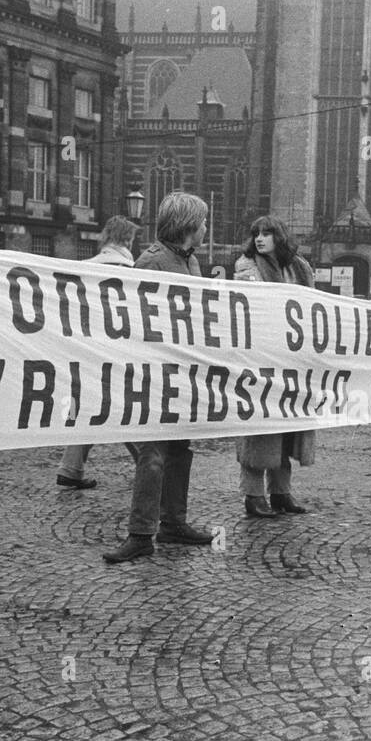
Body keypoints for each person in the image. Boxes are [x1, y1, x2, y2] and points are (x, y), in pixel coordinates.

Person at [102, 193, 215, 563]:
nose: (205, 228)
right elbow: (133, 321)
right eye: (201, 223)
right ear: (187, 226)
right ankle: (140, 533)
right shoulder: (150, 263)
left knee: (181, 450)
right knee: (152, 455)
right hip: (154, 374)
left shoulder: (191, 261)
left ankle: (173, 523)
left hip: (183, 373)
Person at [232, 216, 317, 518]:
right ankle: (253, 495)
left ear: (279, 237)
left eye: (267, 233)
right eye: (256, 233)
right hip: (262, 358)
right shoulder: (247, 268)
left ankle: (281, 492)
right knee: (258, 429)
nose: (259, 238)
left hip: (293, 360)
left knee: (287, 427)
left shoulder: (299, 267)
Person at [55, 215, 141, 490]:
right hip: (121, 351)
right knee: (126, 408)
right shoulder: (135, 271)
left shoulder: (83, 268)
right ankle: (148, 463)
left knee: (90, 407)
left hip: (87, 349)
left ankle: (71, 468)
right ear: (128, 240)